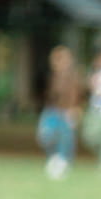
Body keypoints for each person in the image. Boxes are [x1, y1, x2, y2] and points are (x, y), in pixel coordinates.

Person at [36, 45, 83, 179]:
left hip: (67, 111)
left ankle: (63, 162)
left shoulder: (74, 76)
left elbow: (77, 94)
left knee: (66, 138)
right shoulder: (51, 75)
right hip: (51, 110)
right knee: (45, 135)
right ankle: (55, 158)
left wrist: (74, 109)